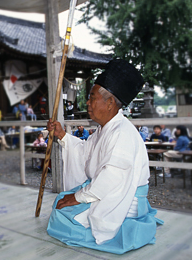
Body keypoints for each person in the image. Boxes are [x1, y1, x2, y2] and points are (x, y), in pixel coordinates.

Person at [46, 59, 162, 254]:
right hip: (106, 192)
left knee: (62, 217)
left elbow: (111, 179)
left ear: (109, 103)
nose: (88, 103)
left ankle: (120, 228)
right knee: (61, 201)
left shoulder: (122, 132)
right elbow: (85, 152)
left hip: (120, 200)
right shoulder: (105, 129)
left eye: (92, 98)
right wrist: (62, 135)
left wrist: (78, 197)